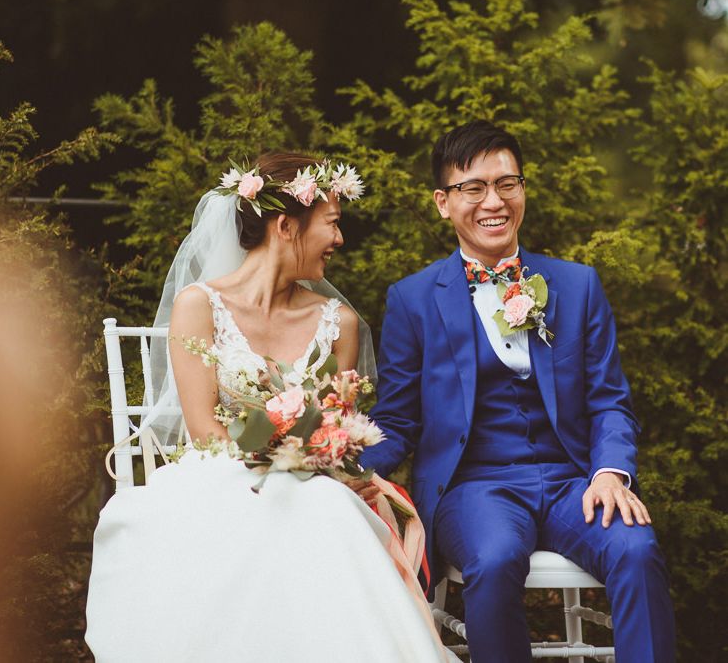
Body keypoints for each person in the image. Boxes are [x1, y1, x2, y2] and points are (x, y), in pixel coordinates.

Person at [85, 153, 454, 663]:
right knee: (277, 516)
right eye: (333, 223)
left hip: (310, 487)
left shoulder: (338, 322)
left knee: (324, 511)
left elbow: (331, 425)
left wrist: (318, 453)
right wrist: (275, 452)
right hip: (216, 475)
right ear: (285, 225)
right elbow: (204, 431)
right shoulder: (199, 306)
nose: (340, 240)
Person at [359, 120, 676, 663]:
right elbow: (399, 419)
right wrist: (344, 467)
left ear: (523, 190)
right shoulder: (412, 300)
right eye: (473, 188)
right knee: (496, 558)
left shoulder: (578, 286)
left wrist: (610, 471)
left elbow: (609, 401)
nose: (494, 202)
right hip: (474, 488)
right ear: (443, 202)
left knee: (636, 547)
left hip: (574, 481)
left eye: (507, 184)